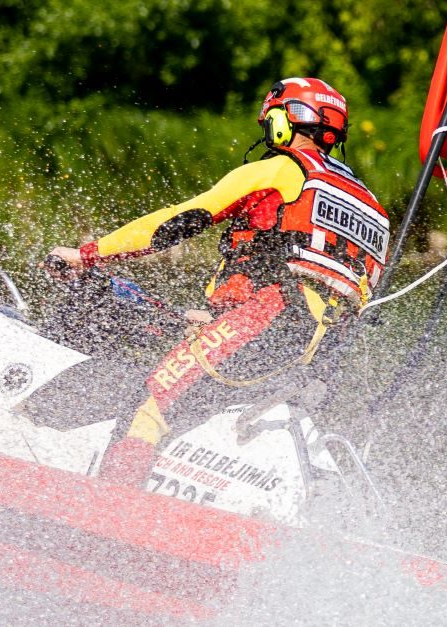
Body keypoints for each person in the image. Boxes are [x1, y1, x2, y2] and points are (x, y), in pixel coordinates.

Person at [46, 77, 390, 488]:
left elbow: (177, 221)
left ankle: (106, 511)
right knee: (201, 405)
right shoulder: (373, 207)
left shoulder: (280, 169)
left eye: (271, 123)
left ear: (283, 123)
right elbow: (323, 278)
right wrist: (219, 319)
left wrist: (87, 254)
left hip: (270, 321)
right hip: (326, 352)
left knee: (152, 402)